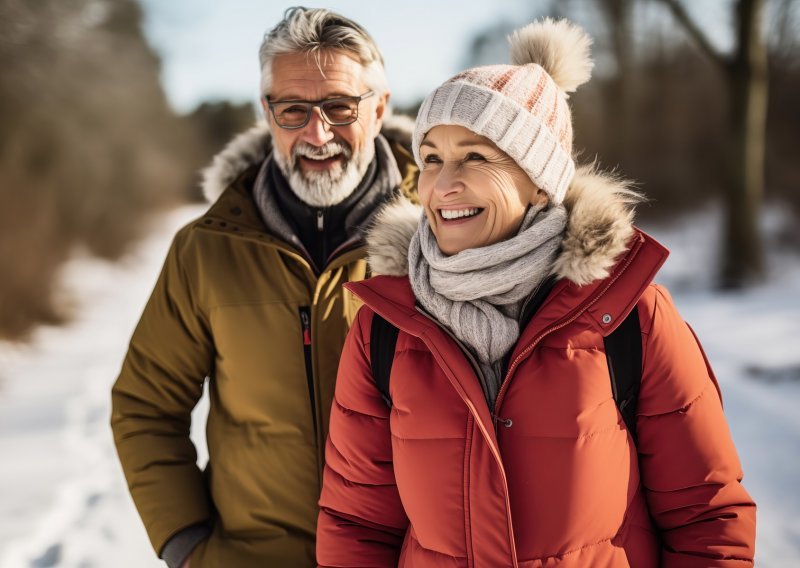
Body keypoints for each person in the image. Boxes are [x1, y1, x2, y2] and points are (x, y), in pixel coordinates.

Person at [316, 18, 756, 567]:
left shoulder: (627, 316)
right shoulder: (385, 327)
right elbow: (356, 526)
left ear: (540, 179)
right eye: (430, 158)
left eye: (475, 157)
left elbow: (707, 517)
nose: (441, 185)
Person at [110, 7, 417, 567]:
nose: (317, 134)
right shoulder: (206, 251)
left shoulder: (443, 239)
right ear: (266, 113)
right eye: (293, 109)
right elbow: (145, 406)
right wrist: (186, 545)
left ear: (379, 108)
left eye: (339, 107)